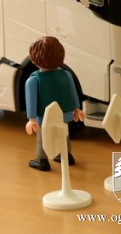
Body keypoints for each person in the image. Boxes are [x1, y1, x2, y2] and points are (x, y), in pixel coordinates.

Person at [24, 36, 85, 171]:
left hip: (44, 117)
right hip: (65, 114)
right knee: (63, 132)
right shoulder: (66, 74)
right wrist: (77, 109)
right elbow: (73, 93)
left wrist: (31, 119)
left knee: (43, 137)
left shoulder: (33, 80)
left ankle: (42, 160)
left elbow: (31, 100)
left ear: (34, 58)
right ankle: (65, 155)